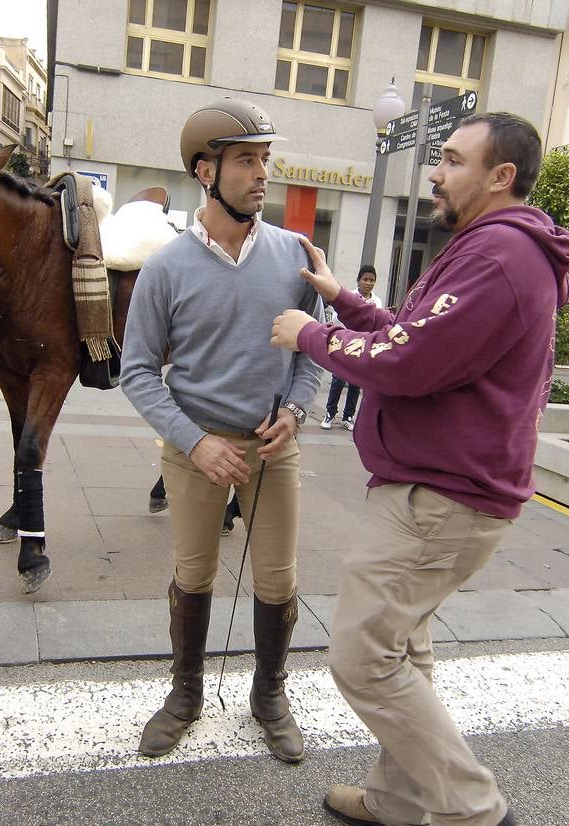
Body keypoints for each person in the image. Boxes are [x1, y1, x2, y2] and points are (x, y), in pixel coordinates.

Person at [271, 112, 569, 826]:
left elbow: (408, 365)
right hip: (439, 489)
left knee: (364, 659)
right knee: (401, 647)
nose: (434, 173)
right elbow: (417, 334)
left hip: (440, 497)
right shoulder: (490, 248)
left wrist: (311, 333)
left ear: (498, 175)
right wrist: (346, 300)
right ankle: (402, 799)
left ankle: (467, 809)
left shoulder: (501, 256)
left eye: (448, 159)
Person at [122, 98, 324, 764]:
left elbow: (312, 356)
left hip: (273, 449)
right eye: (245, 160)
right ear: (204, 171)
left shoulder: (295, 256)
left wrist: (294, 412)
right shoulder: (165, 268)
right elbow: (138, 373)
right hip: (195, 449)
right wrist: (194, 442)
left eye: (264, 159)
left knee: (278, 580)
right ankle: (184, 696)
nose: (261, 172)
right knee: (194, 574)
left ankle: (269, 696)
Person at [320, 264, 382, 430]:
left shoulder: (377, 302)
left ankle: (348, 416)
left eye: (372, 280)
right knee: (338, 381)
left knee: (355, 384)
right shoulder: (350, 297)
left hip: (363, 347)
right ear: (359, 280)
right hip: (346, 344)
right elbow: (338, 319)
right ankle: (330, 413)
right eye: (365, 279)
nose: (368, 283)